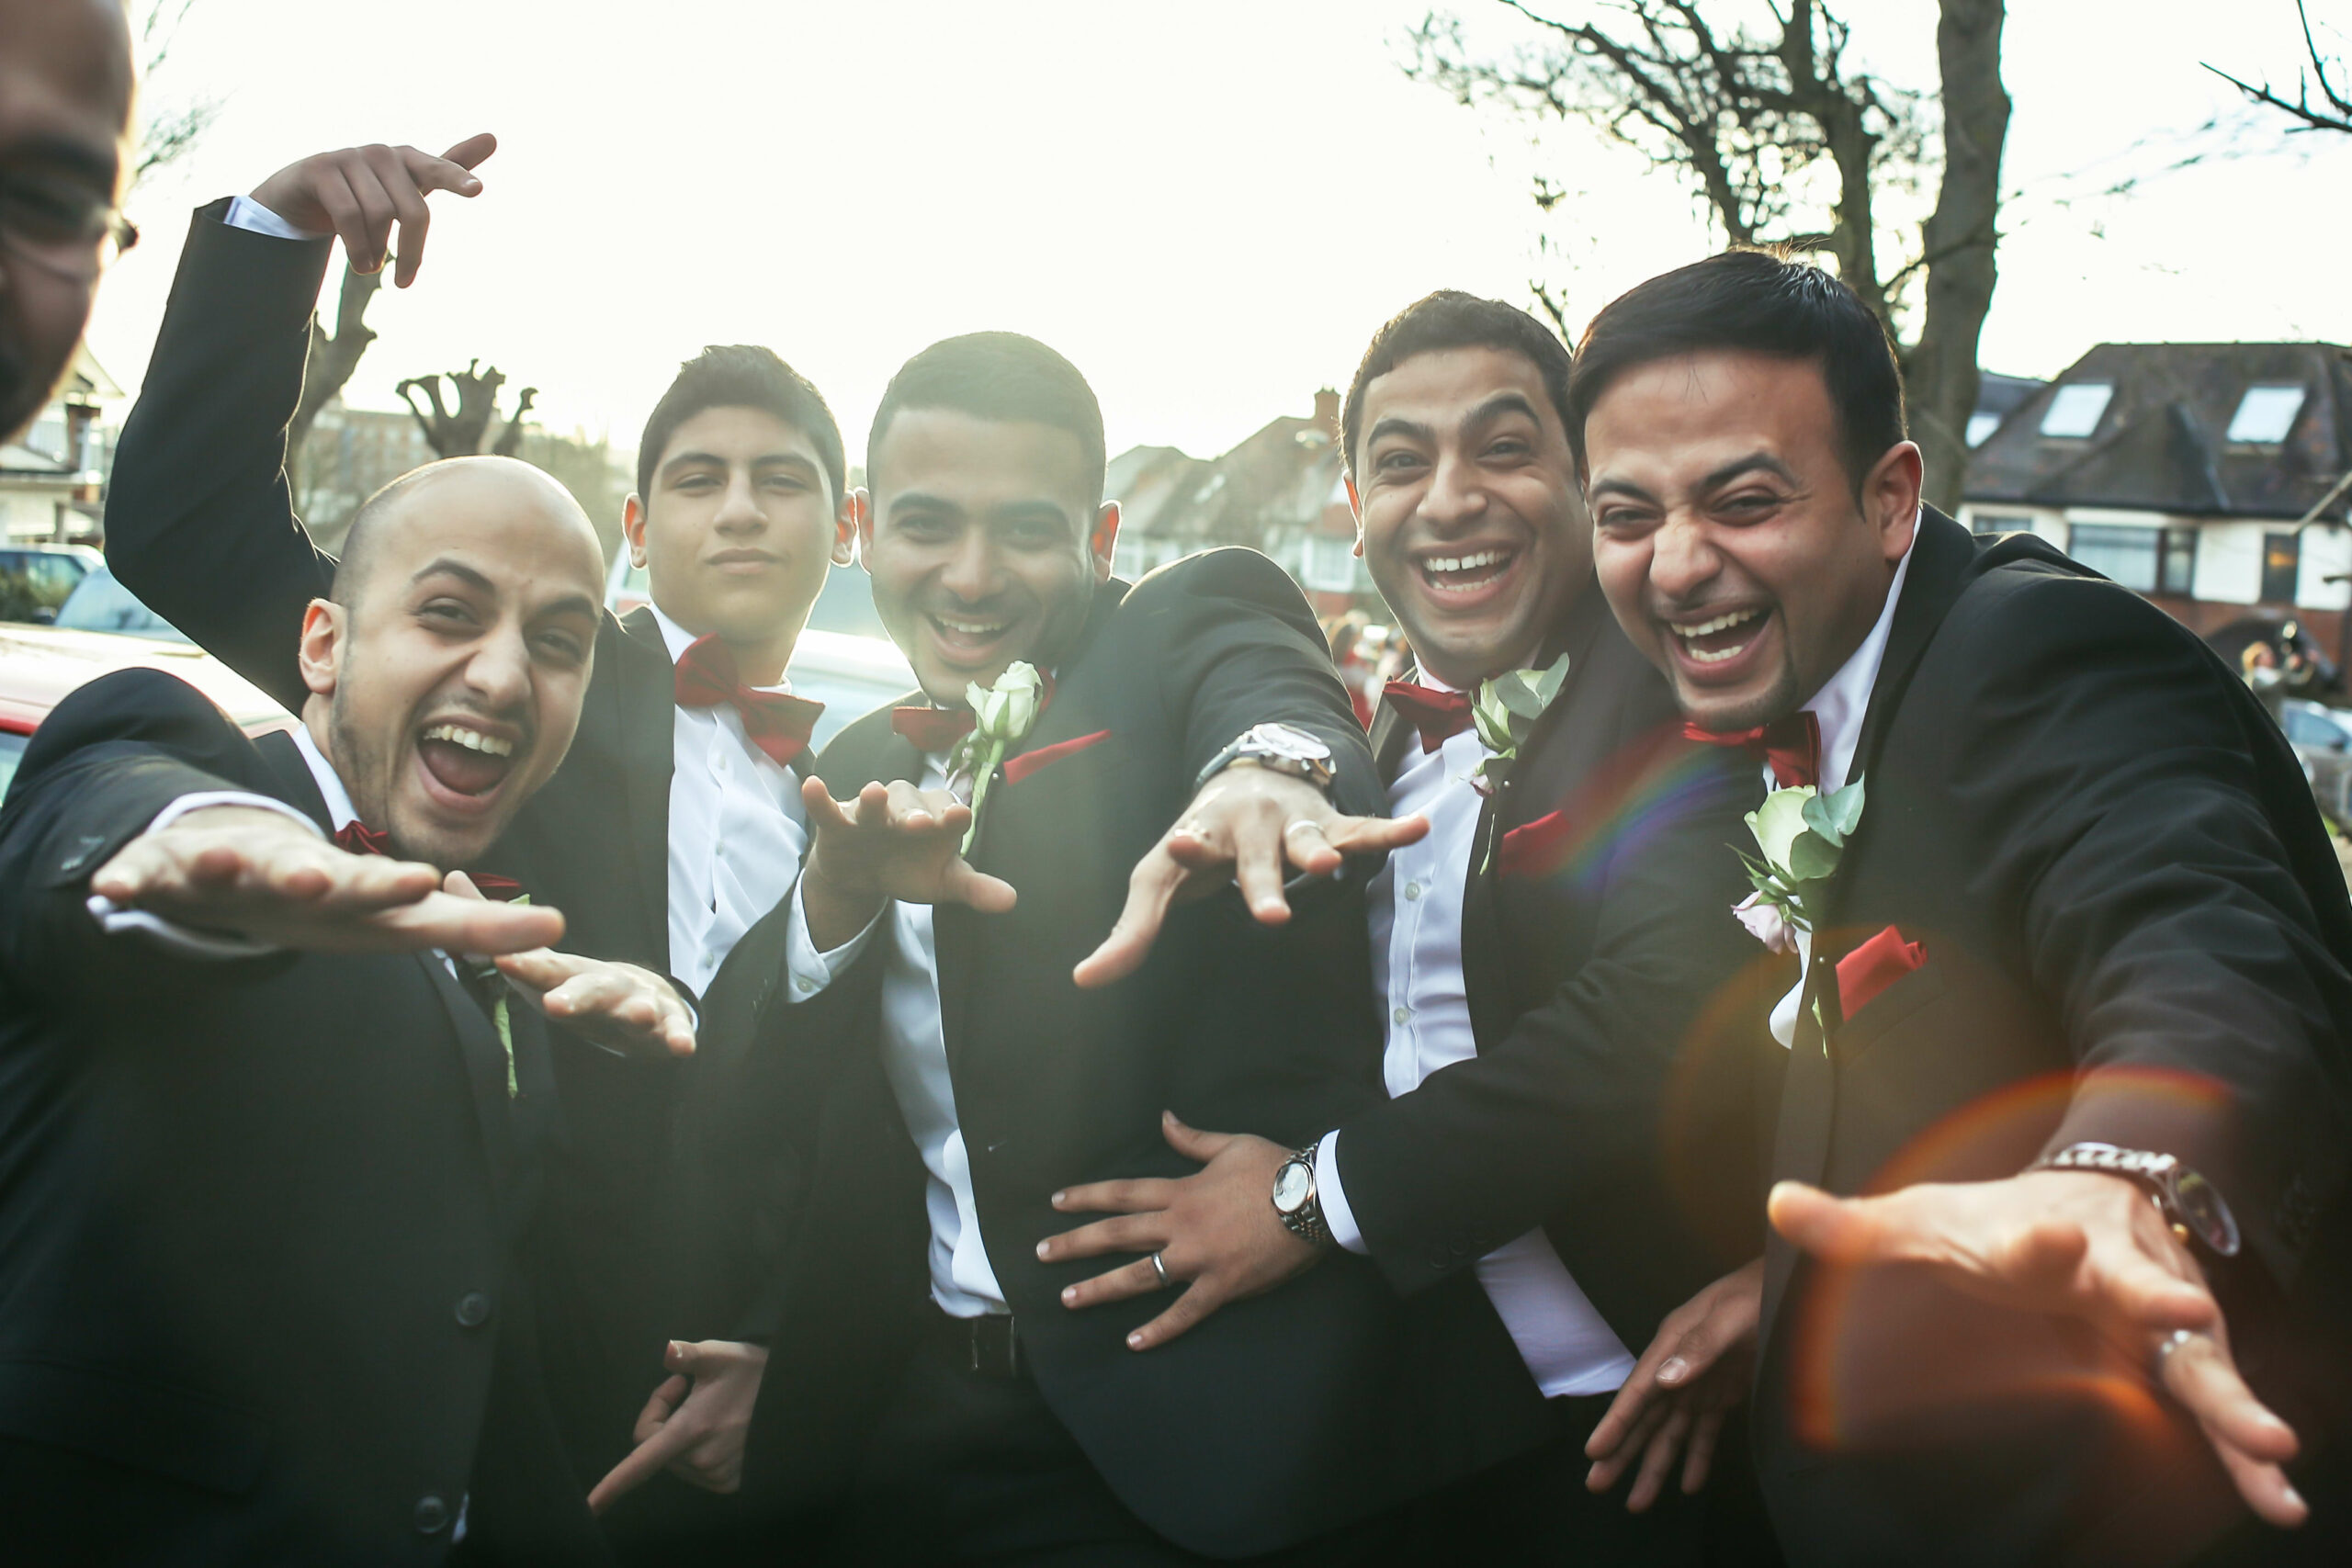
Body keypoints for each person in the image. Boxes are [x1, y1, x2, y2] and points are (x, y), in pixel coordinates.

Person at [596, 331, 1532, 1563]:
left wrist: (1273, 773)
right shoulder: (861, 763)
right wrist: (832, 898)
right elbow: (786, 1111)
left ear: (1097, 540)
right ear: (868, 528)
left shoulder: (1185, 618)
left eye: (1026, 531)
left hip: (1205, 1444)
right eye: (929, 524)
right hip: (915, 1425)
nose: (972, 575)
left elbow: (1266, 686)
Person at [98, 138, 856, 1511]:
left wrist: (796, 1354)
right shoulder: (515, 691)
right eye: (697, 477)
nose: (739, 506)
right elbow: (183, 524)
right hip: (499, 1393)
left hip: (776, 1416)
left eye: (780, 477)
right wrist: (277, 235)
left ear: (843, 526)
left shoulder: (880, 779)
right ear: (634, 520)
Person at [1576, 248, 2352, 1565]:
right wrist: (1791, 1284)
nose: (1676, 564)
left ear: (1891, 499)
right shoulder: (1831, 676)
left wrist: (2129, 1174)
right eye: (1627, 513)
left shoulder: (2037, 653)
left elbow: (2199, 932)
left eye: (1744, 500)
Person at [1035, 291, 1781, 1562]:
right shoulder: (1383, 750)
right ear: (1355, 500)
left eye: (1501, 449)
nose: (1448, 498)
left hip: (1660, 1422)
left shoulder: (1678, 693)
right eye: (1400, 463)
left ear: (1585, 478)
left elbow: (1654, 1015)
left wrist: (1304, 1196)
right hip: (1444, 1435)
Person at [0, 452, 696, 1563]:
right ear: (323, 644)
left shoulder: (495, 922)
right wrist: (199, 841)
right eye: (448, 613)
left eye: (557, 642)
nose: (507, 677)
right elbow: (106, 809)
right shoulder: (168, 756)